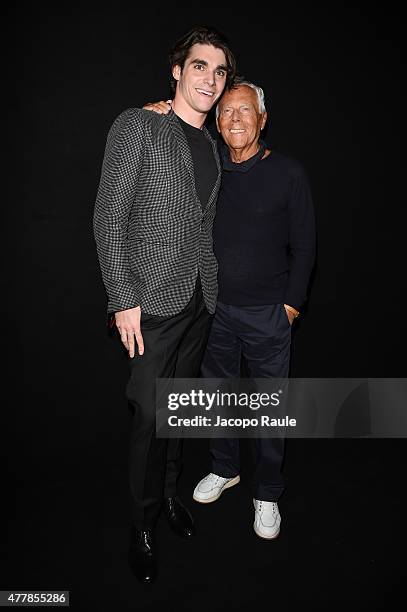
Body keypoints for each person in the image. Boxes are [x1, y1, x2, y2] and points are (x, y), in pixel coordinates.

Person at [93, 26, 236, 583]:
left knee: (178, 412)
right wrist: (122, 298)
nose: (210, 78)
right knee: (149, 419)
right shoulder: (139, 125)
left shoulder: (212, 145)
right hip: (148, 303)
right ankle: (142, 523)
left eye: (219, 71)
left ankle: (171, 496)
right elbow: (108, 216)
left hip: (199, 300)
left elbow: (202, 226)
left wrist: (212, 291)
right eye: (200, 66)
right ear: (176, 71)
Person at [144, 79, 316, 540]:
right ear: (217, 123)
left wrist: (291, 307)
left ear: (262, 119)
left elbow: (305, 246)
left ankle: (268, 493)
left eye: (244, 111)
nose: (235, 119)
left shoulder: (288, 173)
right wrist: (156, 115)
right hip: (215, 311)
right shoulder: (213, 167)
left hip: (268, 315)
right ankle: (225, 468)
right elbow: (173, 148)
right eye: (226, 112)